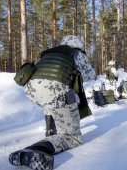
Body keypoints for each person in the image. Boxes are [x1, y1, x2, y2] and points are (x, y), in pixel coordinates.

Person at [9, 35, 96, 170]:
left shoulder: (48, 53)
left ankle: (51, 131)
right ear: (78, 45)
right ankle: (34, 151)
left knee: (52, 97)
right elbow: (91, 75)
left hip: (32, 90)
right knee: (72, 137)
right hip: (57, 91)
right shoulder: (76, 53)